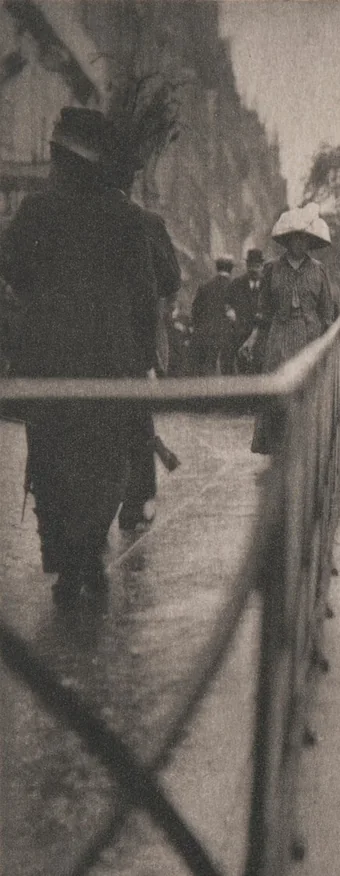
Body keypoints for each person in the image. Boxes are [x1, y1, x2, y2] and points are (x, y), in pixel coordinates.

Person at [0, 107, 158, 604]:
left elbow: (14, 273)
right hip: (110, 360)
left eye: (54, 156)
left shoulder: (34, 212)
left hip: (48, 357)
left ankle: (67, 558)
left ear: (68, 162)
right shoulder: (127, 219)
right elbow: (145, 297)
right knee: (105, 456)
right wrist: (144, 356)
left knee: (49, 456)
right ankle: (88, 547)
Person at [101, 104, 184, 531]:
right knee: (134, 412)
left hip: (96, 334)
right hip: (136, 334)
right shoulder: (146, 221)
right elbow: (171, 279)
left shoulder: (87, 216)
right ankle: (136, 498)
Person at [241, 204, 337, 454]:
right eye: (295, 239)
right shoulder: (272, 269)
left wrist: (328, 344)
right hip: (280, 336)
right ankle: (277, 446)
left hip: (310, 336)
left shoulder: (319, 271)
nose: (299, 244)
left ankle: (306, 446)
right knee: (278, 389)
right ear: (288, 241)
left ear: (309, 242)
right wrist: (253, 338)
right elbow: (263, 310)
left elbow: (327, 311)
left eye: (304, 239)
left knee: (308, 389)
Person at [190, 257, 236, 376]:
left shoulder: (204, 287)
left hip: (205, 337)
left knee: (206, 375)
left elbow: (195, 313)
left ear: (217, 268)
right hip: (227, 339)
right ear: (231, 270)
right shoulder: (236, 288)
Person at [225, 248, 265, 373]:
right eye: (251, 266)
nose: (254, 269)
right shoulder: (237, 283)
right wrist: (230, 311)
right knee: (242, 371)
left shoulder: (267, 284)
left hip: (260, 336)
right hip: (240, 335)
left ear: (262, 266)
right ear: (247, 266)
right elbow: (227, 303)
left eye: (257, 266)